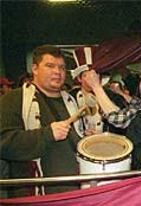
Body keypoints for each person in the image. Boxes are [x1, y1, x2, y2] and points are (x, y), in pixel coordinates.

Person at [0, 45, 83, 197]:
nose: (57, 72)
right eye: (50, 66)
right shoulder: (13, 99)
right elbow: (3, 143)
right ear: (35, 69)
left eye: (62, 68)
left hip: (75, 192)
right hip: (35, 197)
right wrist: (46, 134)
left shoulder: (72, 101)